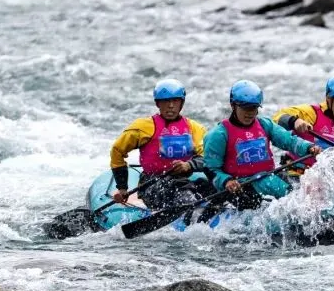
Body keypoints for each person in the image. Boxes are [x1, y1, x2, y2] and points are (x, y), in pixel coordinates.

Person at [203, 80, 321, 209]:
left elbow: (290, 140)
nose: (250, 112)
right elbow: (210, 169)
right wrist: (226, 181)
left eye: (254, 107)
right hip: (239, 188)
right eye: (245, 107)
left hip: (268, 180)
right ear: (233, 105)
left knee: (299, 194)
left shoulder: (265, 125)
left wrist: (308, 147)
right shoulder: (218, 134)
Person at [108, 79, 213, 209]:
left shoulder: (194, 128)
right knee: (180, 191)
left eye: (175, 101)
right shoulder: (142, 127)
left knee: (210, 187)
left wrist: (189, 165)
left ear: (181, 103)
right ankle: (189, 211)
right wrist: (122, 187)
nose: (171, 105)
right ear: (158, 103)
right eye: (165, 101)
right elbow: (117, 150)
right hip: (151, 184)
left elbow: (208, 158)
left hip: (183, 181)